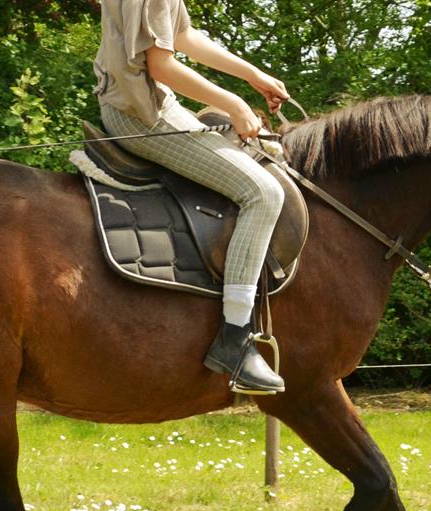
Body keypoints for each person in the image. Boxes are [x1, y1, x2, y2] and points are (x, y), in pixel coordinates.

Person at [95, 0, 289, 394]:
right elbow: (160, 66)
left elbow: (181, 35)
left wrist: (252, 75)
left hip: (147, 103)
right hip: (143, 114)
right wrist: (234, 105)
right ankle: (235, 339)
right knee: (263, 193)